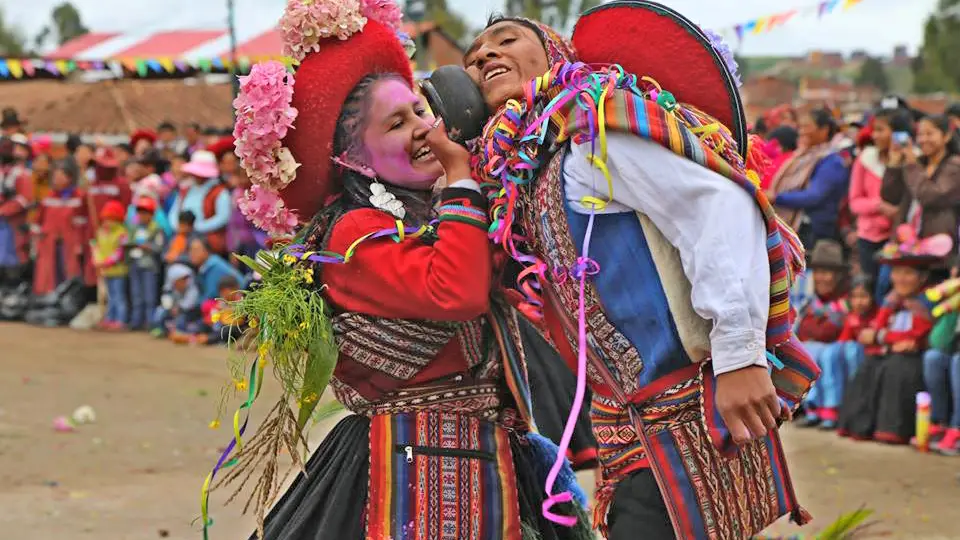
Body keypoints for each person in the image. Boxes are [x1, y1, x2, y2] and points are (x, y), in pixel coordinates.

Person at [201, 1, 592, 538]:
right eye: (397, 123)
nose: (422, 128)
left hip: (488, 449)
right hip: (413, 462)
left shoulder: (433, 209)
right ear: (355, 161)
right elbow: (455, 292)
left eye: (420, 111)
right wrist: (459, 176)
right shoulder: (350, 236)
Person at [463, 4, 815, 538]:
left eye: (506, 40)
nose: (486, 53)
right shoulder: (524, 174)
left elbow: (719, 206)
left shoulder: (594, 127)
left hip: (690, 410)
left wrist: (740, 355)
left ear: (555, 54)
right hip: (632, 432)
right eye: (474, 57)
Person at [838, 240, 940, 444]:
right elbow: (876, 329)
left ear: (923, 277)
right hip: (891, 351)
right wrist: (885, 339)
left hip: (915, 356)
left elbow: (919, 334)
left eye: (908, 273)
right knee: (869, 365)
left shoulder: (927, 302)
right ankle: (860, 426)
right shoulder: (890, 300)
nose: (900, 279)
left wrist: (883, 337)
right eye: (896, 272)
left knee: (897, 367)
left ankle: (893, 429)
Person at [767, 108, 851, 248]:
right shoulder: (803, 157)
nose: (802, 132)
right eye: (801, 127)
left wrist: (777, 198)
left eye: (807, 127)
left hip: (815, 232)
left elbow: (813, 196)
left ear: (824, 130)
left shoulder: (832, 162)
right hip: (802, 229)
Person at [849, 108, 914, 284]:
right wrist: (879, 206)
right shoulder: (866, 159)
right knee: (871, 286)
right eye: (874, 130)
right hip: (869, 236)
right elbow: (855, 202)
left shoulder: (913, 160)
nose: (874, 135)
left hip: (901, 236)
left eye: (881, 130)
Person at [883, 114, 960, 248]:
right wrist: (894, 164)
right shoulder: (918, 165)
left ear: (946, 136)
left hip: (940, 248)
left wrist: (912, 165)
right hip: (907, 245)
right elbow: (890, 197)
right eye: (920, 134)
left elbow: (930, 197)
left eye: (929, 134)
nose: (923, 139)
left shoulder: (954, 166)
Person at [795, 240, 848, 428]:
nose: (821, 278)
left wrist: (814, 329)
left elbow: (827, 332)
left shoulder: (845, 303)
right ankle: (810, 408)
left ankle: (830, 408)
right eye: (817, 272)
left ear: (839, 276)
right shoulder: (811, 302)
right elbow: (802, 330)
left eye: (827, 273)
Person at [33, 159, 86, 296]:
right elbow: (38, 221)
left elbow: (81, 223)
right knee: (49, 272)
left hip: (69, 244)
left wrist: (79, 243)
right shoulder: (49, 198)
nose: (56, 180)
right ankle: (48, 297)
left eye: (59, 176)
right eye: (54, 176)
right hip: (49, 243)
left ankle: (68, 297)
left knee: (69, 270)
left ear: (69, 178)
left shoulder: (79, 198)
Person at [168, 150, 231, 255]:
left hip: (206, 241)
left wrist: (196, 227)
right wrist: (179, 227)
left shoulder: (220, 192)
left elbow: (223, 218)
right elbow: (174, 212)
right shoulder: (186, 189)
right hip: (183, 237)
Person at [126, 196, 166, 330]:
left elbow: (159, 247)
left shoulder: (156, 229)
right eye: (140, 212)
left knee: (150, 296)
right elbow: (127, 242)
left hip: (149, 265)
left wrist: (148, 247)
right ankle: (136, 322)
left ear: (151, 214)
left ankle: (151, 323)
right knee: (136, 295)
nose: (142, 215)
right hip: (135, 264)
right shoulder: (134, 227)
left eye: (145, 212)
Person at [0, 136, 35, 285]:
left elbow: (25, 198)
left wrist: (4, 210)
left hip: (13, 224)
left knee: (12, 260)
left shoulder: (22, 174)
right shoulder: (3, 172)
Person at [91, 200, 129, 330]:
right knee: (109, 297)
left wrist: (106, 262)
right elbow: (97, 247)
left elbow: (119, 252)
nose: (107, 222)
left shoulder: (122, 233)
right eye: (106, 219)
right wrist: (97, 261)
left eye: (111, 219)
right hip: (105, 271)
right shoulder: (101, 232)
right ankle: (109, 318)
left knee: (119, 296)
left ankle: (120, 320)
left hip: (118, 271)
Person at [186, 237, 245, 301]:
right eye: (190, 250)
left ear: (206, 250)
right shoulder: (206, 266)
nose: (192, 253)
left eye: (196, 250)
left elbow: (210, 296)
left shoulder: (214, 267)